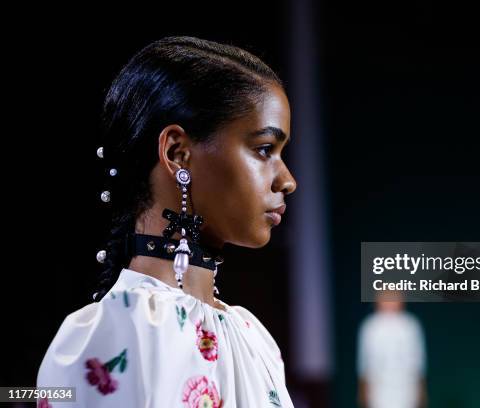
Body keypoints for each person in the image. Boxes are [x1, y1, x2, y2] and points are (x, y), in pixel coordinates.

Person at [37, 36, 297, 407]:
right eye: (263, 149)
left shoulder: (254, 337)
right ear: (178, 153)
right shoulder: (113, 335)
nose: (287, 180)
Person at [356, 291, 427, 408]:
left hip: (406, 387)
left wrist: (421, 389)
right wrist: (363, 390)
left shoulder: (410, 325)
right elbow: (364, 362)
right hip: (379, 388)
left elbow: (418, 361)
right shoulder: (370, 326)